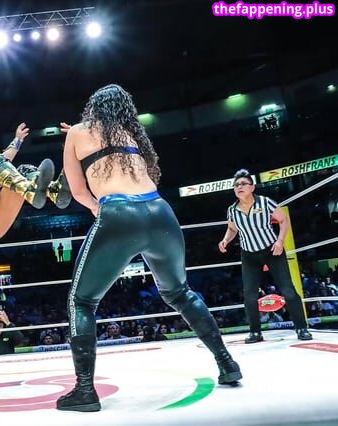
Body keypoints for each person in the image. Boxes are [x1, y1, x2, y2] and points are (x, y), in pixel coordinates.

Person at [57, 84, 242, 413]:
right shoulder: (130, 133)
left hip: (118, 212)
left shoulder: (78, 133)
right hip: (160, 211)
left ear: (92, 107)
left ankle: (85, 389)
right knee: (180, 293)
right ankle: (227, 363)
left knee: (81, 301)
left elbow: (78, 191)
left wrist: (100, 210)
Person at [217, 168, 312, 343]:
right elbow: (232, 228)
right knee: (249, 296)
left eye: (243, 184)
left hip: (272, 251)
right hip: (249, 255)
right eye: (236, 185)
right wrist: (225, 240)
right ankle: (255, 332)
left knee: (288, 290)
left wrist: (280, 241)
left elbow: (283, 220)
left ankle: (301, 328)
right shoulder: (232, 210)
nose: (239, 187)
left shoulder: (265, 202)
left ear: (252, 187)